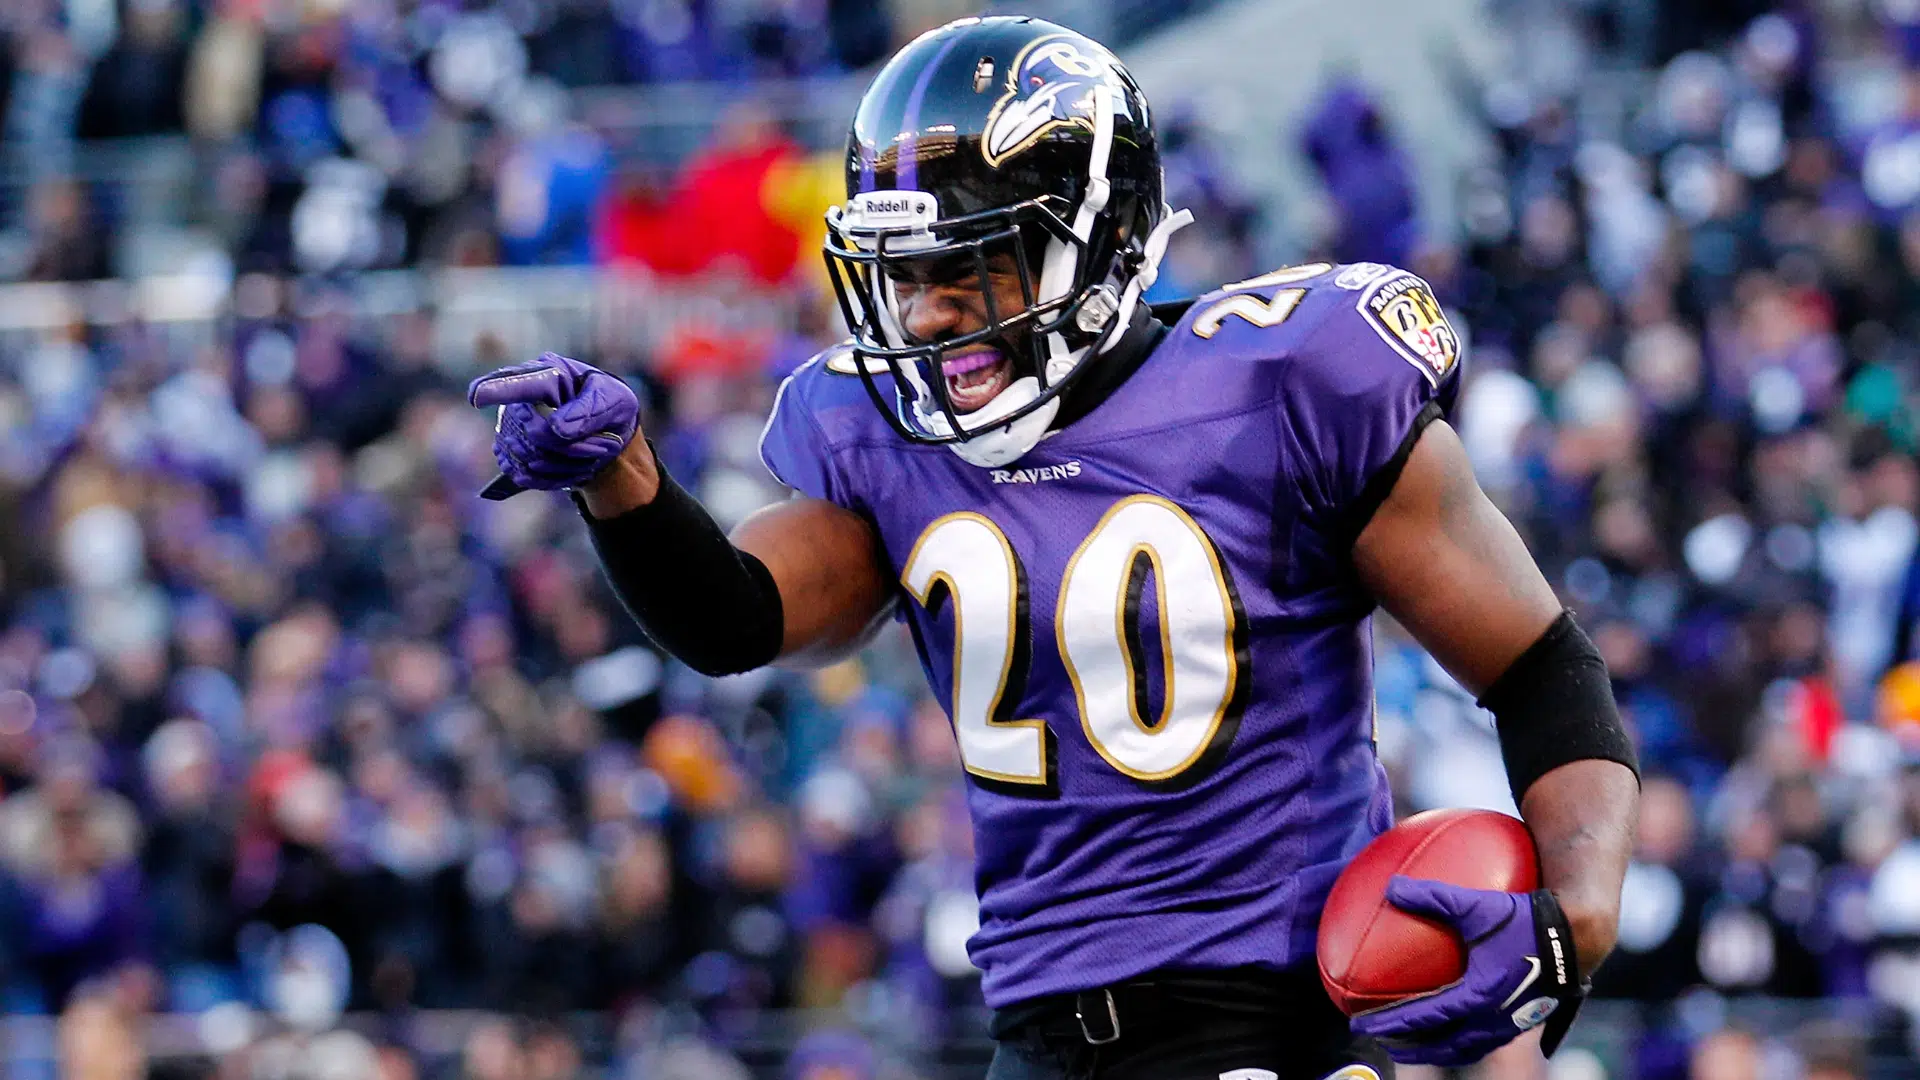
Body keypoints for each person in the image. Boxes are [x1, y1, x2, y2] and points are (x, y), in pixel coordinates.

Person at [468, 16, 1641, 1080]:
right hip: (1038, 1035)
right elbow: (735, 619)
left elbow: (1538, 664)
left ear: (1101, 236)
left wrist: (1575, 915)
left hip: (1285, 1012)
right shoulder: (885, 436)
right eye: (904, 276)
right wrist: (625, 485)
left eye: (966, 268)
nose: (925, 315)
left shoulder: (1287, 385)